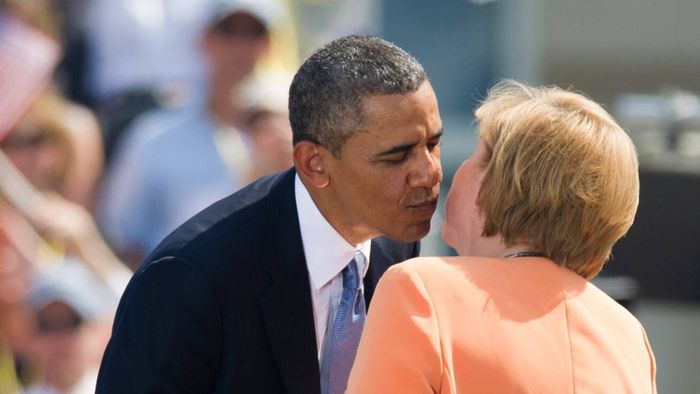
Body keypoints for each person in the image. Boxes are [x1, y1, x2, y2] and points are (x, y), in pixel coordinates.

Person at [96, 35, 443, 393]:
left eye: (433, 144)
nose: (429, 173)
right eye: (396, 157)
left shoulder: (397, 244)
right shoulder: (188, 279)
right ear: (314, 164)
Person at [347, 81, 657, 393]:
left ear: (491, 186)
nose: (440, 174)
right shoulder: (628, 336)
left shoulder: (420, 290)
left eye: (476, 155)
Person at [96, 0, 282, 269]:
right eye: (229, 32)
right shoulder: (152, 136)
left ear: (268, 45)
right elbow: (119, 237)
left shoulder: (291, 138)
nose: (240, 48)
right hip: (175, 298)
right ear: (204, 39)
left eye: (253, 34)